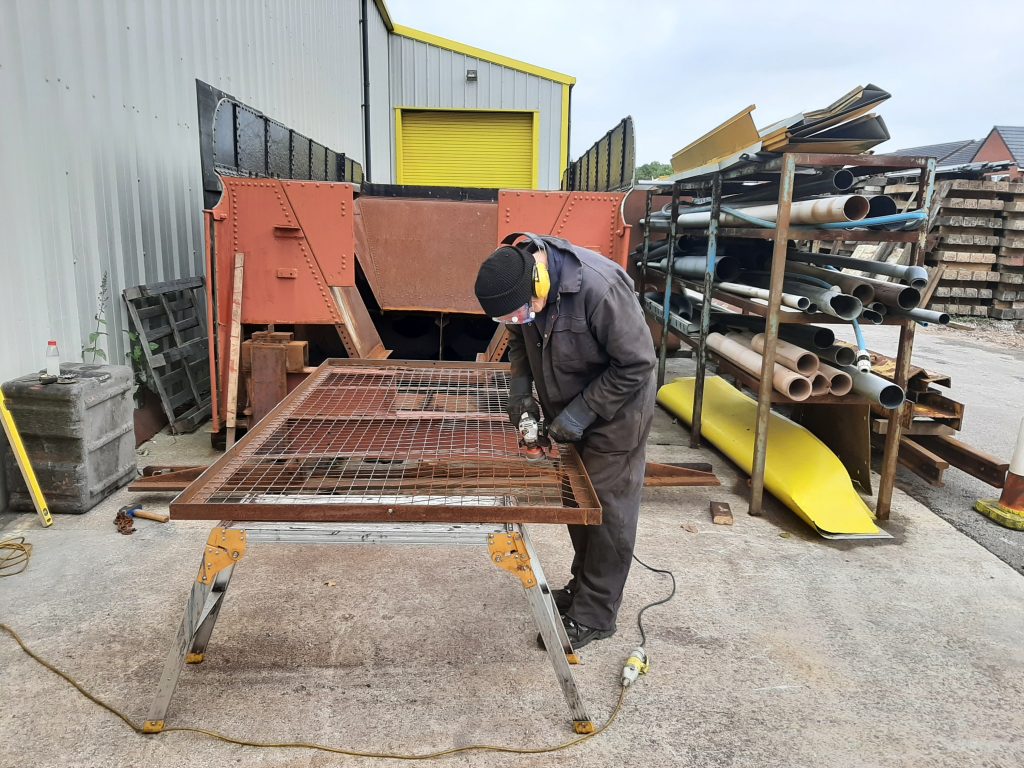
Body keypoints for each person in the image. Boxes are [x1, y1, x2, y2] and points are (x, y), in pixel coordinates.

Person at [473, 232, 657, 649]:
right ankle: (582, 590)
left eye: (524, 312)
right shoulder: (521, 290)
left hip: (618, 413)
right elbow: (520, 345)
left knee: (606, 511)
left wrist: (578, 415)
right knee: (577, 503)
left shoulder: (600, 287)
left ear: (539, 282)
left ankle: (596, 615)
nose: (519, 321)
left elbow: (638, 363)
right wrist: (522, 401)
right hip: (571, 407)